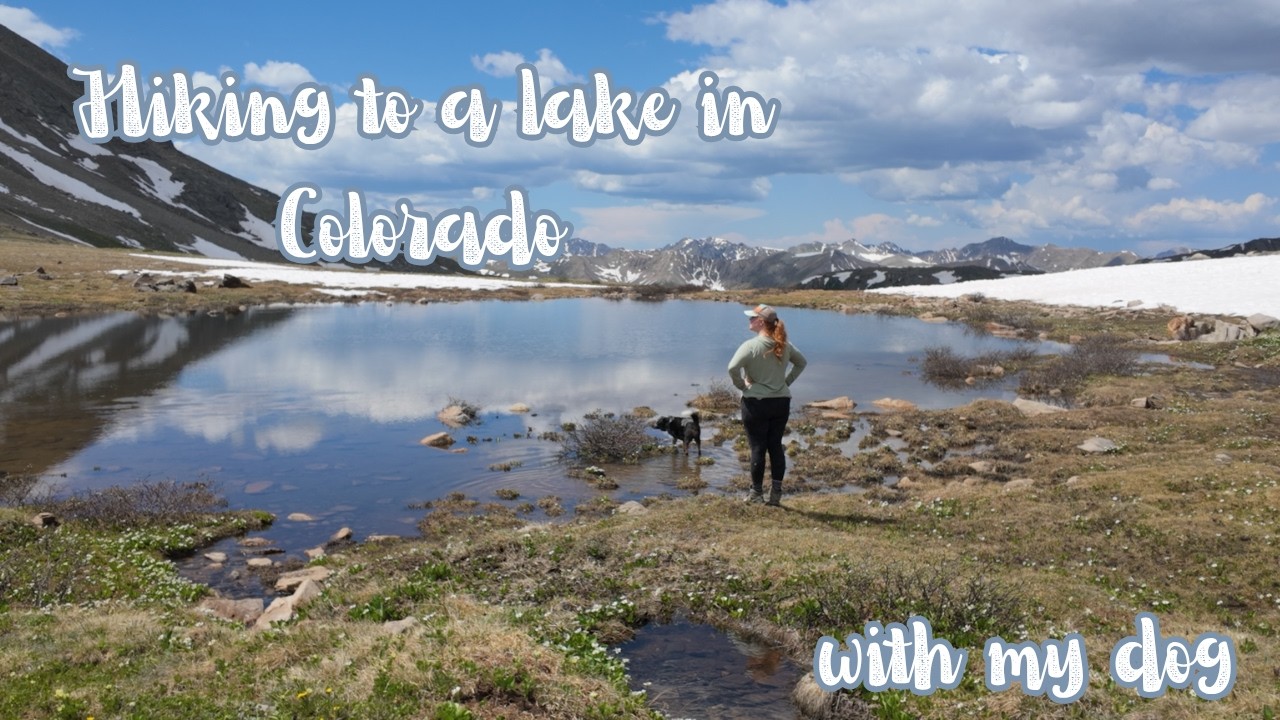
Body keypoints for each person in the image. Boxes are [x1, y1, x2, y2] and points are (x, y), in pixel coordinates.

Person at [727, 303, 807, 506]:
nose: (749, 321)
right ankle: (776, 495)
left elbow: (732, 368)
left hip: (756, 404)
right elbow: (801, 363)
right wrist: (785, 383)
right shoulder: (784, 345)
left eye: (752, 318)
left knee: (757, 448)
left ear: (761, 322)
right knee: (775, 446)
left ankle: (756, 494)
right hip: (781, 403)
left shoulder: (750, 346)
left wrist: (743, 387)